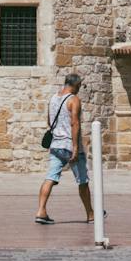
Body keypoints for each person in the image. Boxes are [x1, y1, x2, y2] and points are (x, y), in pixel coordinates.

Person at [35, 71, 93, 224]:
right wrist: (75, 147)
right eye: (80, 86)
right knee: (82, 180)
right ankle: (90, 214)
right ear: (76, 85)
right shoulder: (74, 100)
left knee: (50, 177)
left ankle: (41, 211)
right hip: (69, 145)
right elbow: (75, 123)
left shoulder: (53, 98)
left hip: (56, 144)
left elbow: (49, 120)